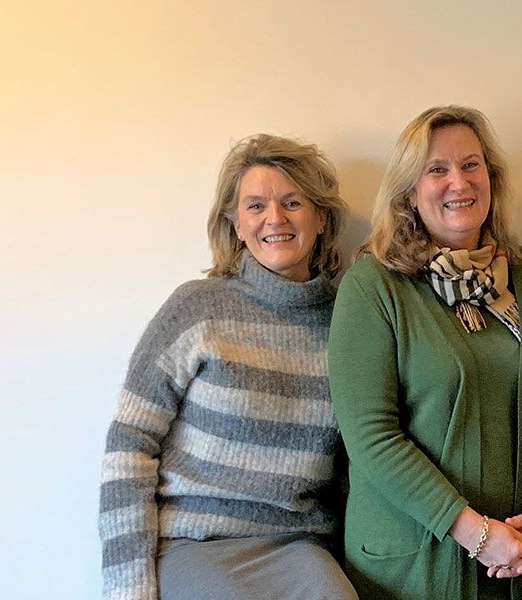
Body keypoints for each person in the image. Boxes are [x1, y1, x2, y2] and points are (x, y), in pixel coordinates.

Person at [328, 106, 522, 600]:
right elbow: (371, 438)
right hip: (413, 564)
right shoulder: (373, 285)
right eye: (436, 169)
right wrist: (476, 534)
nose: (458, 182)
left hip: (516, 558)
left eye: (471, 165)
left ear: (491, 177)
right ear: (409, 192)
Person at [98, 134, 357, 600]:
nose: (274, 218)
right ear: (236, 225)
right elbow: (130, 443)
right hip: (194, 545)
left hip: (298, 547)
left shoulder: (349, 322)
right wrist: (129, 586)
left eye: (292, 202)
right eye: (255, 206)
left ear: (321, 217)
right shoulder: (197, 308)